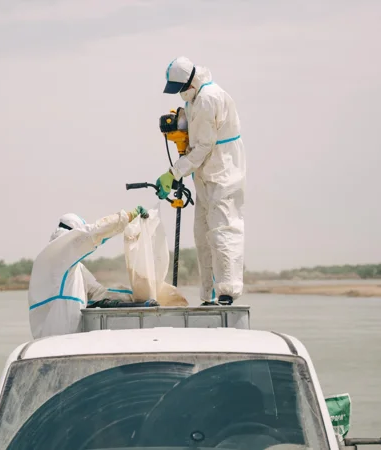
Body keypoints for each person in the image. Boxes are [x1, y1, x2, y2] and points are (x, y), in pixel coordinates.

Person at [157, 56, 246, 306]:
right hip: (205, 173)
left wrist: (174, 172)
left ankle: (227, 290)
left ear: (191, 81)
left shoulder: (208, 98)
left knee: (222, 230)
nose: (181, 94)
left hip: (222, 172)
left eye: (182, 89)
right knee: (203, 234)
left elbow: (205, 146)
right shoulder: (196, 99)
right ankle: (209, 295)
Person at [28, 206, 148, 339]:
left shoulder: (75, 268)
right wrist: (127, 218)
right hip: (51, 343)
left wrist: (138, 297)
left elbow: (98, 293)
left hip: (72, 343)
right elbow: (92, 234)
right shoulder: (53, 256)